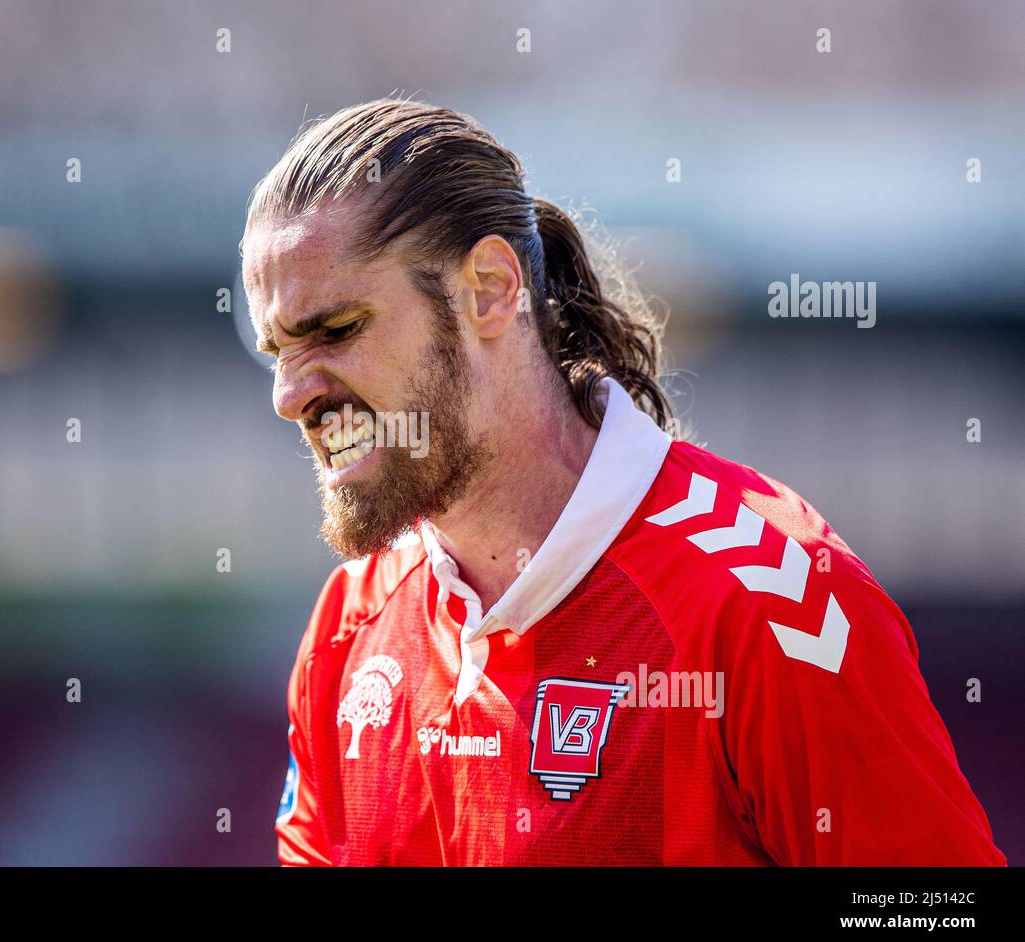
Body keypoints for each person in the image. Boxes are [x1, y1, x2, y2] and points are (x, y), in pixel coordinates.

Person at [238, 98, 1006, 865]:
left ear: (490, 290)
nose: (290, 394)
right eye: (277, 350)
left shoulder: (776, 606)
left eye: (335, 330)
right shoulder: (351, 626)